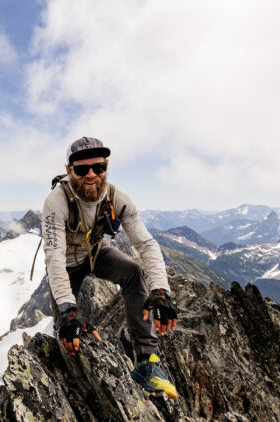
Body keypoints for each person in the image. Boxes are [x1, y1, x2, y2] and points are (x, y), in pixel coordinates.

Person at [42, 136, 178, 399]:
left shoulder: (119, 199)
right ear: (69, 171)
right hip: (67, 264)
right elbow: (54, 256)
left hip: (95, 253)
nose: (91, 175)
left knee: (132, 272)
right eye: (82, 169)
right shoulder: (55, 202)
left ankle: (147, 360)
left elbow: (147, 244)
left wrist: (160, 290)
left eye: (99, 167)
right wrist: (69, 310)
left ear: (106, 167)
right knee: (68, 333)